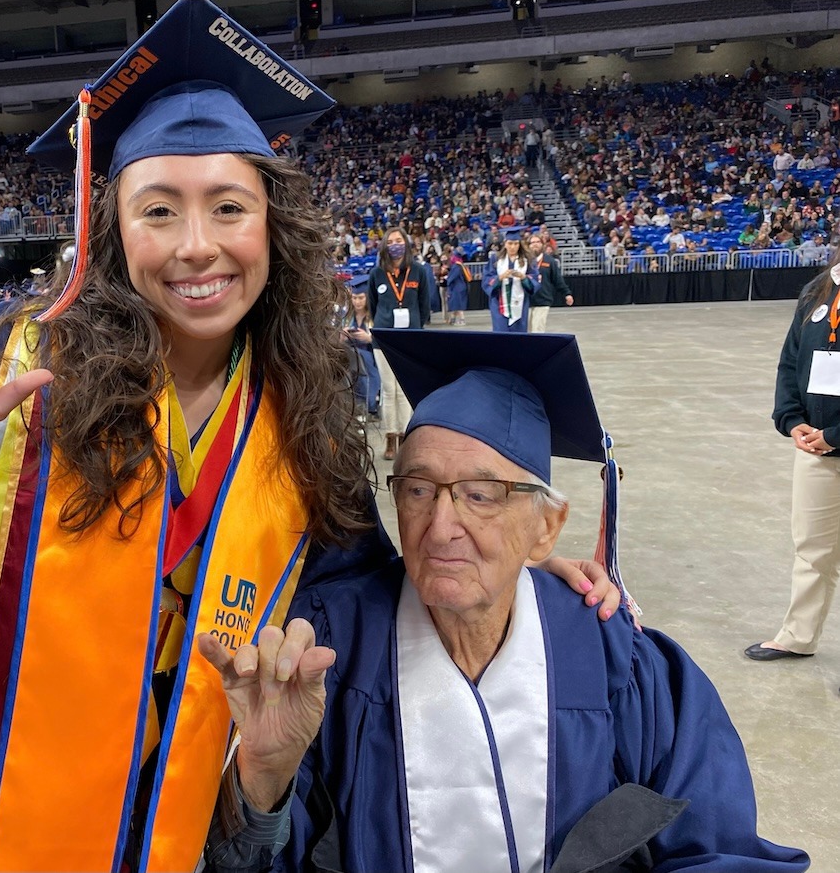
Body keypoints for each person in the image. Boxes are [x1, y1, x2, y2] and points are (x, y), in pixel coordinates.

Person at [0, 0, 620, 873]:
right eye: (158, 211)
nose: (197, 247)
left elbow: (362, 589)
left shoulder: (304, 409)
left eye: (228, 207)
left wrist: (511, 558)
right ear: (109, 226)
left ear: (273, 225)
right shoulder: (12, 356)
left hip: (168, 826)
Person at [265, 328, 812, 873]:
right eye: (417, 489)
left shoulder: (612, 655)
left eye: (481, 496)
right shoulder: (331, 647)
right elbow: (263, 852)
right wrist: (261, 786)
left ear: (547, 529)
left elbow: (715, 845)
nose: (440, 526)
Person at [747, 246, 840, 663]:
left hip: (832, 438)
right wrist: (790, 417)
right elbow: (790, 363)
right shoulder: (817, 292)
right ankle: (798, 636)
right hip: (816, 449)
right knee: (812, 547)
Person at [367, 225, 433, 460]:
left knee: (404, 390)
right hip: (384, 339)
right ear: (385, 246)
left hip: (410, 338)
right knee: (388, 389)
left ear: (406, 243)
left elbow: (425, 303)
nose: (395, 244)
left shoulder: (418, 271)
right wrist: (381, 326)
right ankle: (390, 437)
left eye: (399, 240)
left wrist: (417, 327)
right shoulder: (377, 274)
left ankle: (407, 436)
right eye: (391, 241)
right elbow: (372, 305)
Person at [481, 227, 538, 333]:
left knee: (518, 336)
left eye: (516, 243)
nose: (513, 247)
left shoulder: (528, 260)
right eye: (510, 243)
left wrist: (523, 277)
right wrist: (500, 278)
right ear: (505, 243)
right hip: (499, 304)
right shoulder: (496, 259)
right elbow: (487, 279)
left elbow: (534, 279)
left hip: (520, 303)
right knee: (501, 335)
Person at [341, 277, 379, 421]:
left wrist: (369, 338)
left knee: (363, 359)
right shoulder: (346, 317)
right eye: (354, 298)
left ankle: (369, 404)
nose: (357, 302)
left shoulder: (374, 316)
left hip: (371, 355)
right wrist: (343, 336)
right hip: (351, 355)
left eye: (361, 298)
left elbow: (381, 340)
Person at [527, 231, 573, 333]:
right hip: (526, 301)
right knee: (525, 332)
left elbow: (557, 279)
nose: (535, 244)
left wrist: (567, 293)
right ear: (528, 245)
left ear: (542, 244)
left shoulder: (549, 261)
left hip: (543, 301)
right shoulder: (524, 261)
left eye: (538, 242)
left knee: (538, 331)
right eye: (532, 242)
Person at [442, 252, 470, 327]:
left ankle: (462, 320)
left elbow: (452, 278)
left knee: (458, 305)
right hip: (459, 287)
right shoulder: (460, 265)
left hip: (457, 288)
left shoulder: (456, 266)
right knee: (455, 305)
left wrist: (446, 279)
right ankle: (453, 320)